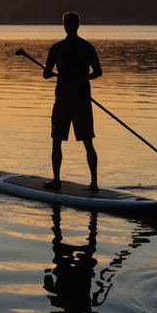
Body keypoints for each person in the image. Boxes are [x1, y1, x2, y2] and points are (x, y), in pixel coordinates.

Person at [43, 11, 102, 191]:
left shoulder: (56, 48)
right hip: (82, 99)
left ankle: (56, 181)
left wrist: (56, 74)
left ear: (64, 26)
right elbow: (98, 72)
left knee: (56, 141)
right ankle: (94, 183)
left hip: (63, 100)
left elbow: (46, 74)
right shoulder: (87, 47)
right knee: (88, 142)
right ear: (78, 25)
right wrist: (83, 78)